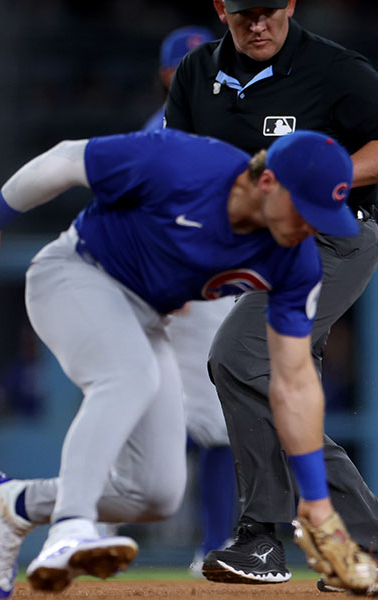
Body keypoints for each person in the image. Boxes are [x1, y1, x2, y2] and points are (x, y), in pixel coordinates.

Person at [0, 128, 378, 597]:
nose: (310, 227)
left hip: (147, 317)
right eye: (306, 209)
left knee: (154, 492)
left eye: (323, 217)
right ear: (268, 181)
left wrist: (315, 500)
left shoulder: (295, 261)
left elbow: (293, 381)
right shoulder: (185, 163)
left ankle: (10, 504)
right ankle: (70, 529)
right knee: (128, 377)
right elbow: (67, 159)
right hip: (75, 273)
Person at [165, 0, 378, 590]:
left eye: (268, 10)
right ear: (220, 8)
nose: (257, 24)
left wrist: (319, 175)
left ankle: (265, 536)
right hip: (264, 250)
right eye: (243, 13)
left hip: (331, 238)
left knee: (237, 356)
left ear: (290, 4)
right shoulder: (196, 74)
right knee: (274, 390)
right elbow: (180, 166)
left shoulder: (332, 67)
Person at [143, 24, 241, 576]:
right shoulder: (162, 130)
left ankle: (215, 542)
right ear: (164, 75)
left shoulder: (229, 123)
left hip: (204, 287)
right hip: (177, 291)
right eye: (181, 67)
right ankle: (81, 527)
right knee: (182, 418)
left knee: (208, 423)